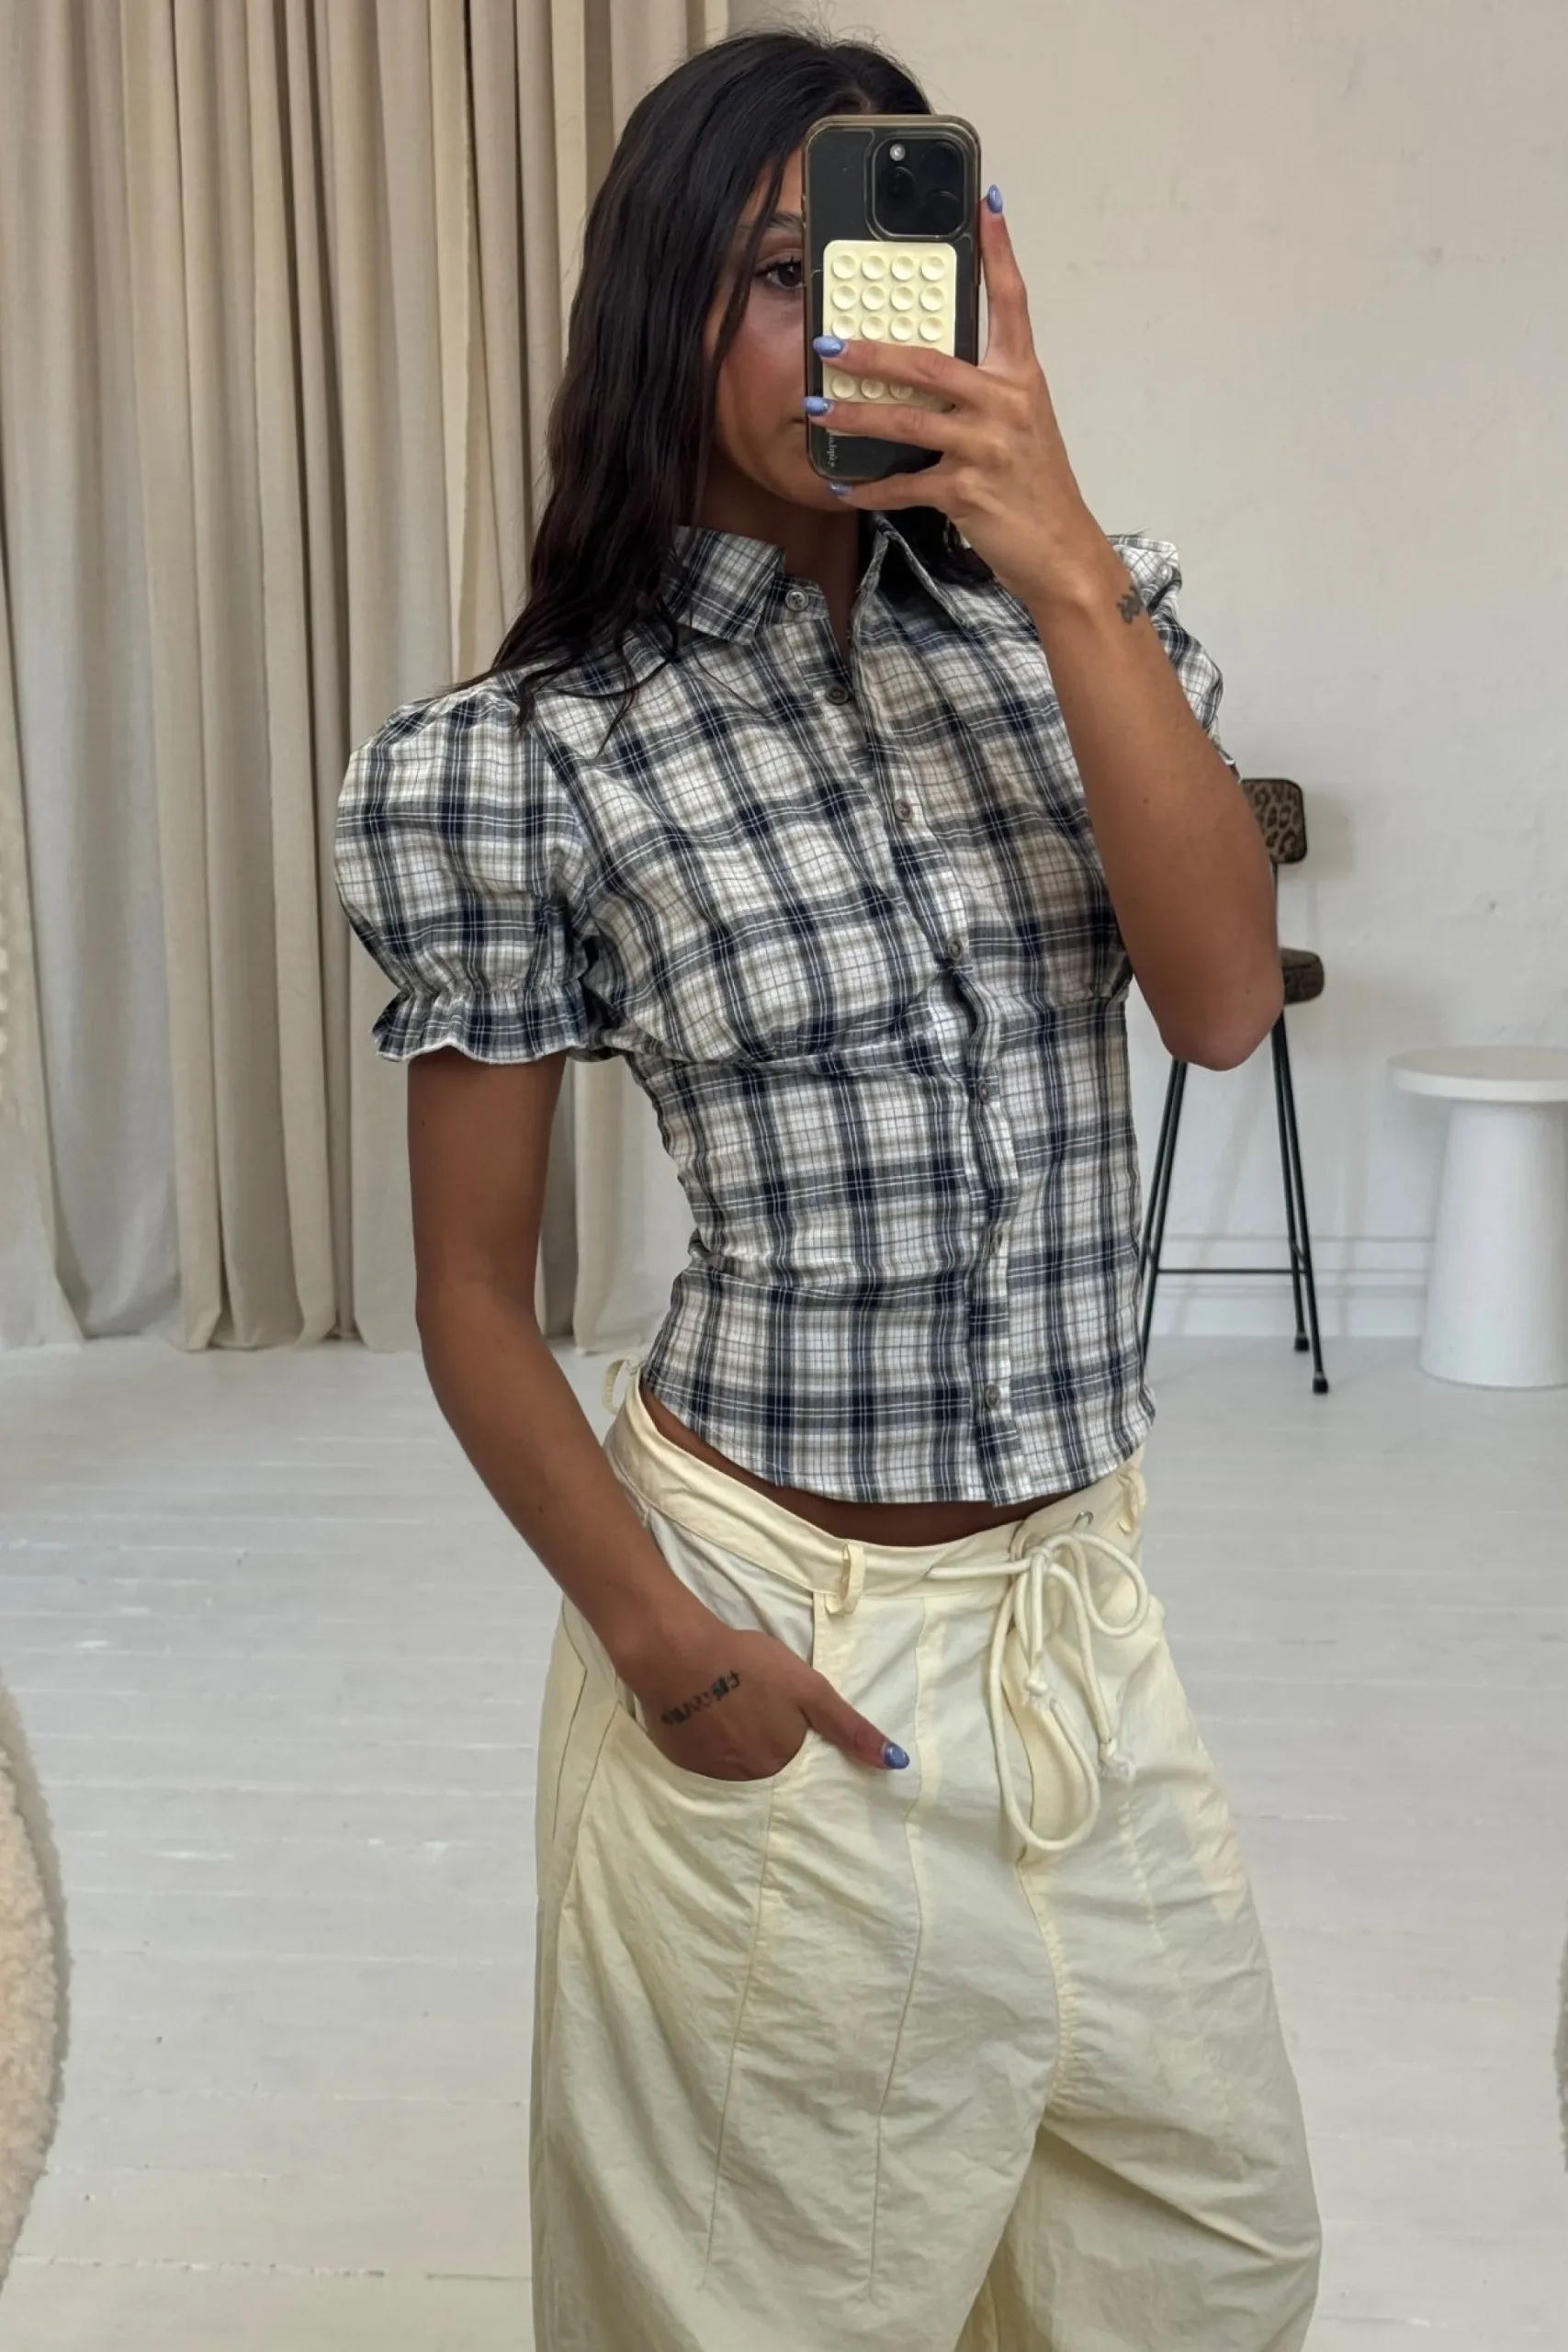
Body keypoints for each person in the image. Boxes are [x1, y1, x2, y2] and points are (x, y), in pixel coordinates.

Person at [333, 27, 1322, 2352]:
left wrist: (1063, 567)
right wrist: (667, 1649)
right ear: (661, 296)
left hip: (1081, 1625)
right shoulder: (523, 758)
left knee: (1201, 2269)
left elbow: (1213, 1005)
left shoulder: (1076, 633)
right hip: (783, 1619)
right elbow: (468, 1292)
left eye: (884, 266)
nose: (841, 327)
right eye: (778, 273)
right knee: (761, 2309)